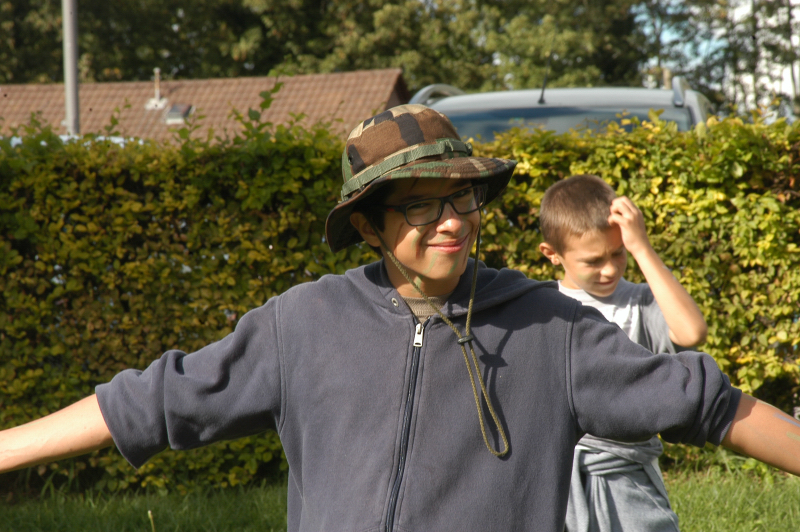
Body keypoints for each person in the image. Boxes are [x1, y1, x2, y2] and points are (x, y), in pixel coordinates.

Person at [1, 104, 799, 532]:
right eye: (418, 205)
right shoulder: (303, 324)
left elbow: (711, 404)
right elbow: (151, 402)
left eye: (462, 198)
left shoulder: (549, 328)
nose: (449, 221)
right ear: (367, 225)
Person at [538, 174, 708, 532]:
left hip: (626, 475)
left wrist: (642, 248)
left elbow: (691, 332)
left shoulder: (641, 302)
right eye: (593, 261)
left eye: (618, 253)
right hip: (554, 478)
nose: (610, 268)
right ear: (552, 254)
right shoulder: (540, 308)